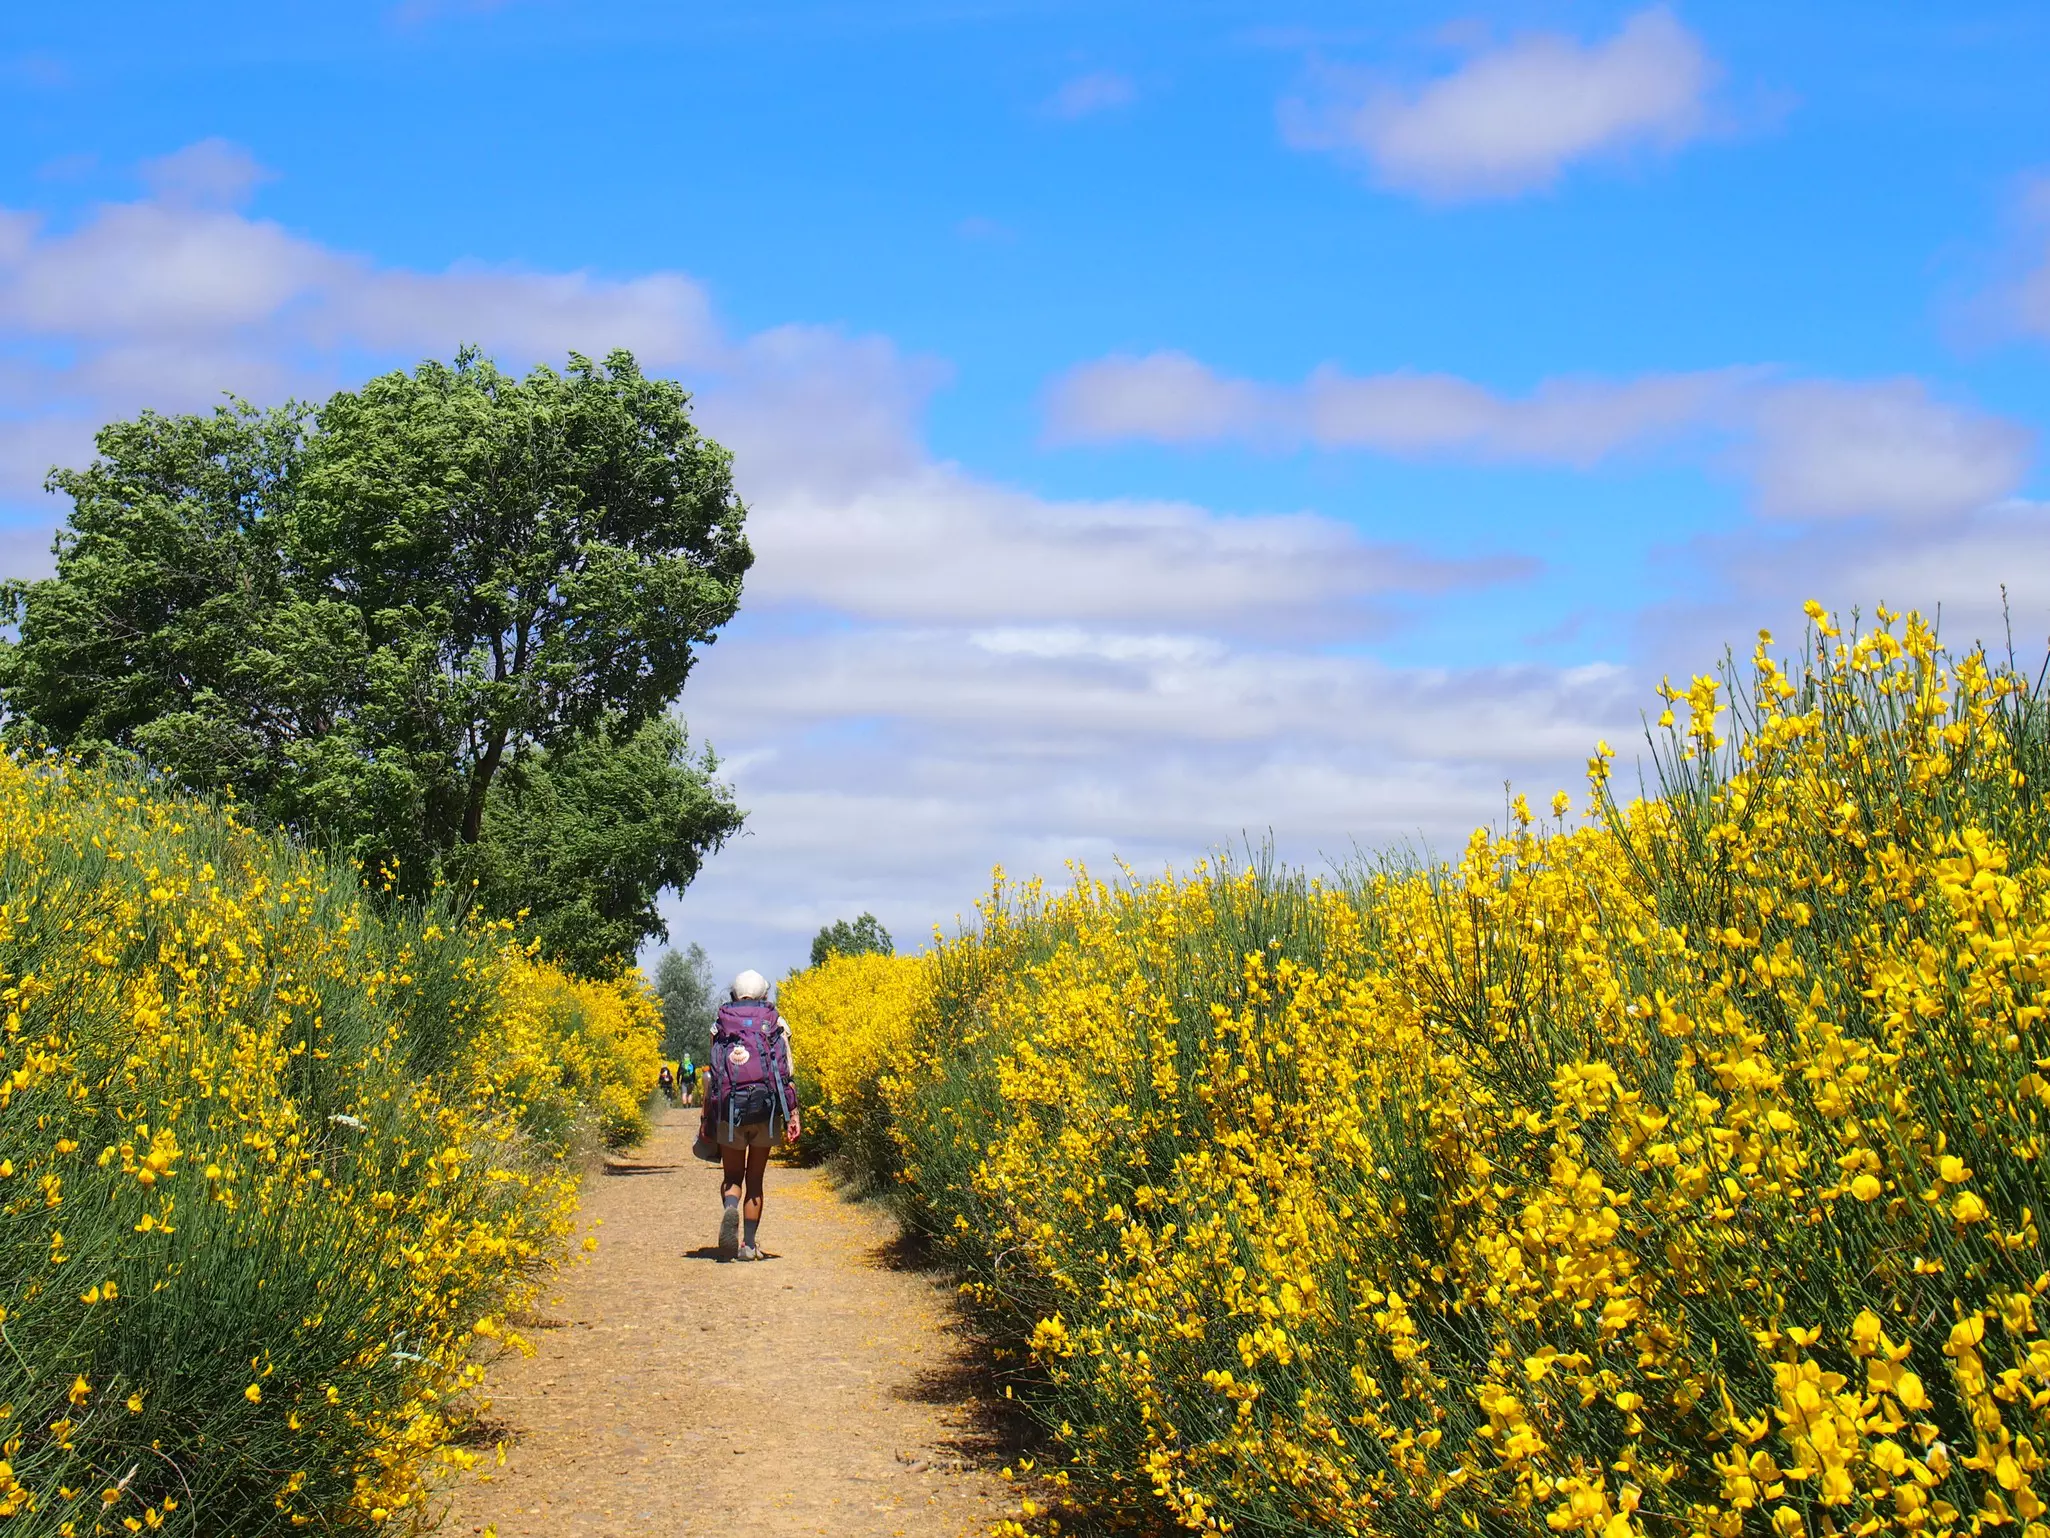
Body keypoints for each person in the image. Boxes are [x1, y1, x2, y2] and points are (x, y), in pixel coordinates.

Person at [699, 969, 800, 1261]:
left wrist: (708, 1115)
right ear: (764, 994)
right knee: (755, 1179)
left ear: (734, 994)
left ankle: (730, 1207)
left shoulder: (720, 1025)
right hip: (766, 1111)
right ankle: (749, 1245)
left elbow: (715, 1074)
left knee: (733, 1176)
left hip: (731, 1111)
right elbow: (786, 1072)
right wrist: (793, 1114)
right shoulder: (775, 1022)